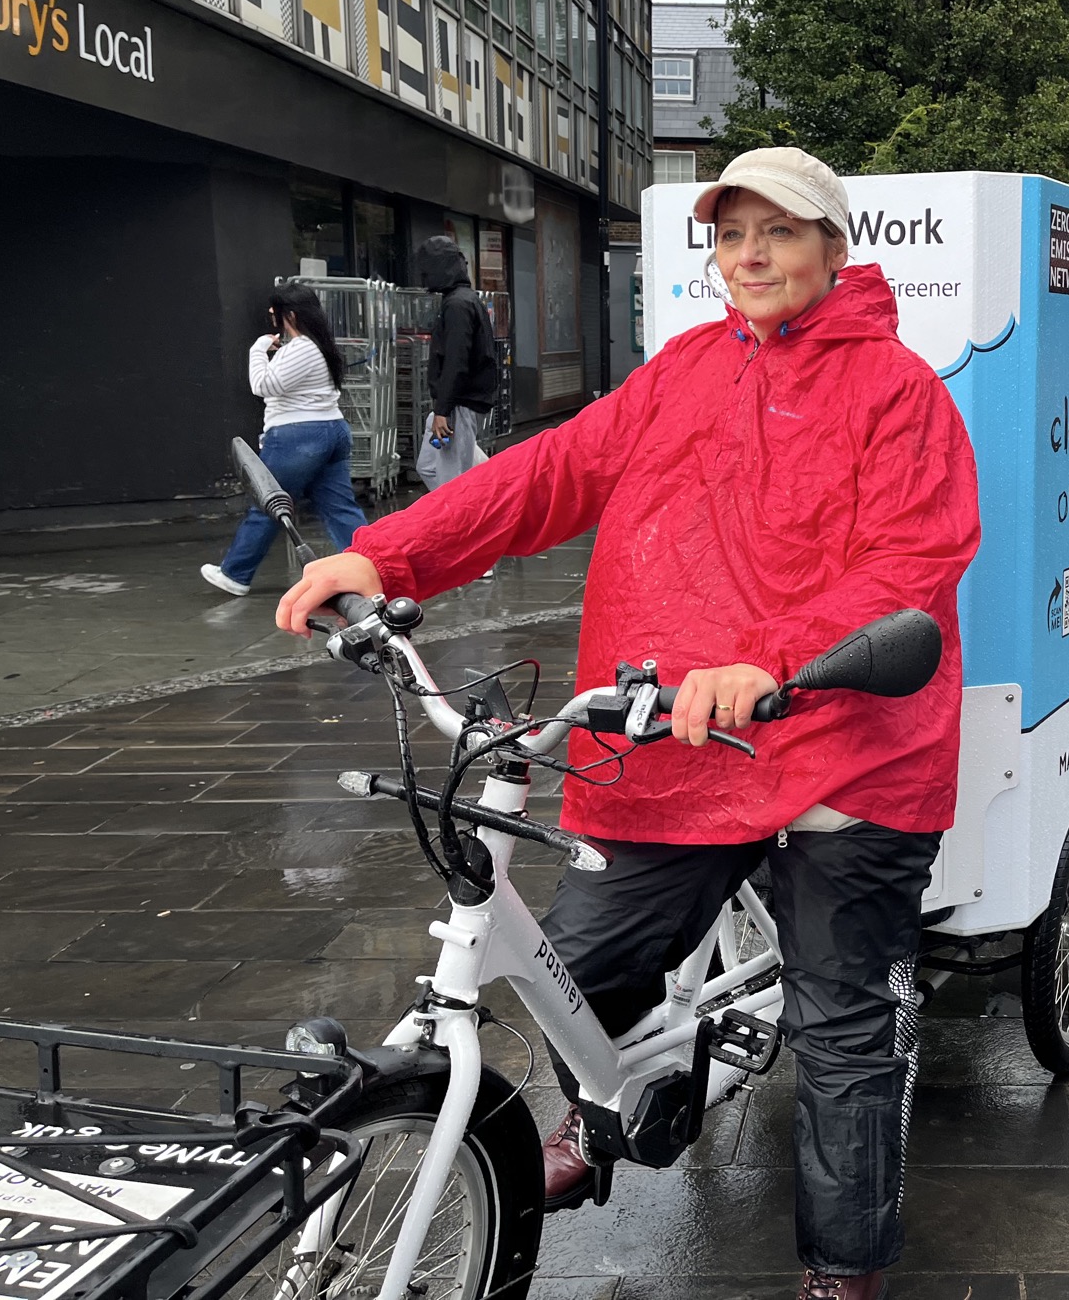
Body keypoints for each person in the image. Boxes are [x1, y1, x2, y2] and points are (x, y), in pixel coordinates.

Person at [275, 147, 980, 1300]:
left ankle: (841, 1270)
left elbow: (910, 564)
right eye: (731, 234)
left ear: (831, 248)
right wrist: (386, 555)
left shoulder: (899, 393)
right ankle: (599, 1117)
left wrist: (772, 662)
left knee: (844, 1031)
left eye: (777, 232)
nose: (749, 255)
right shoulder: (685, 370)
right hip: (676, 747)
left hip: (842, 753)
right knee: (577, 965)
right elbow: (546, 474)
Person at [201, 284, 368, 597]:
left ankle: (235, 574)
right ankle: (372, 564)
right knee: (340, 508)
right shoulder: (318, 345)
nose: (271, 316)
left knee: (268, 504)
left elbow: (263, 385)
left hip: (296, 436)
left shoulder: (302, 348)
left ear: (289, 314)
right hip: (330, 430)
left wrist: (257, 349)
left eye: (274, 312)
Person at [414, 234, 501, 492]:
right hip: (459, 402)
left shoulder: (456, 305)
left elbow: (456, 360)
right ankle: (494, 491)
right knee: (432, 466)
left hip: (457, 404)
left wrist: (443, 409)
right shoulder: (464, 300)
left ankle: (476, 507)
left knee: (450, 479)